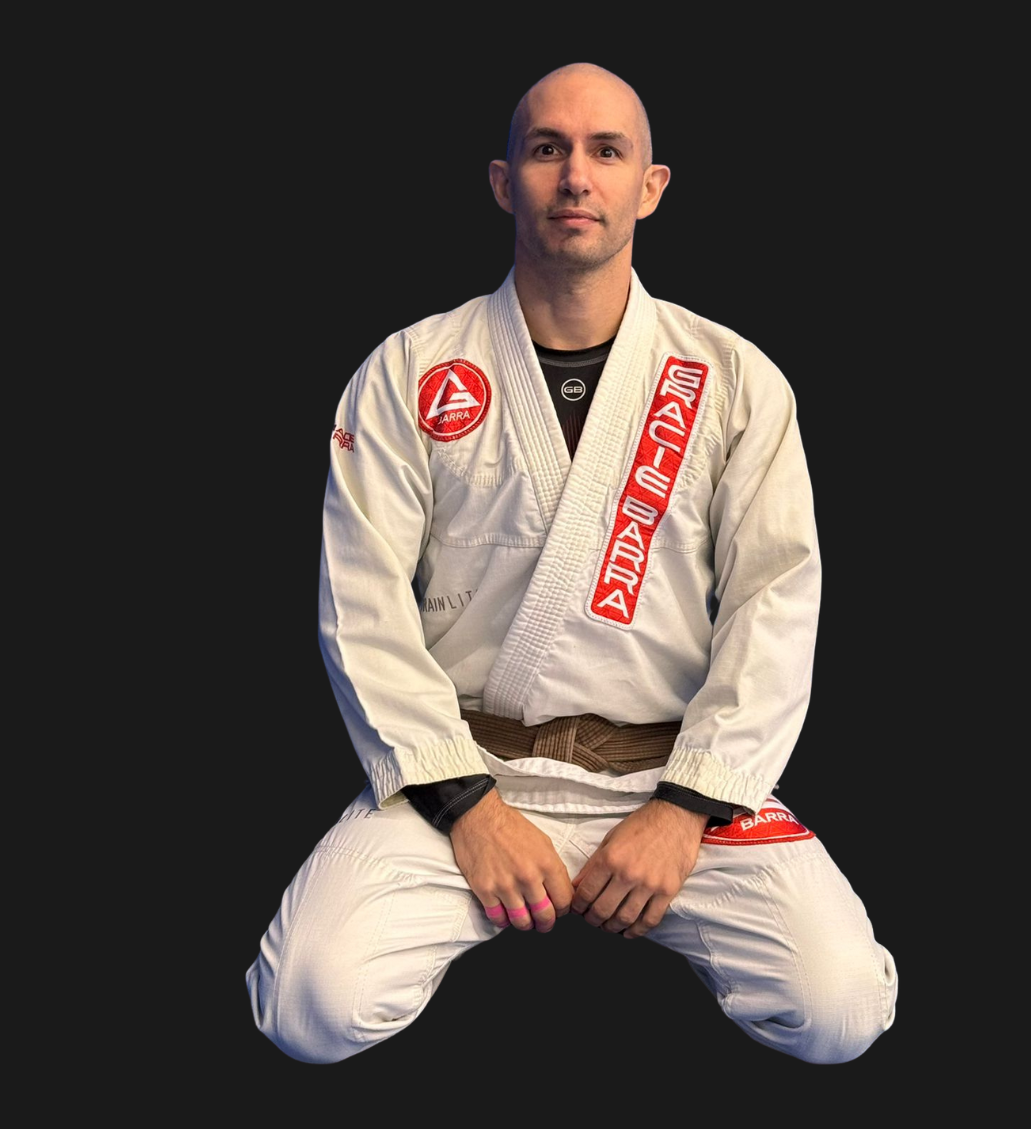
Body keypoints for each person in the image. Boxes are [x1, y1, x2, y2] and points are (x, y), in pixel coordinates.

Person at [246, 61, 898, 1066]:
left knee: (839, 1011)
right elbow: (361, 606)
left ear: (652, 185)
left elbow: (777, 603)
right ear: (505, 182)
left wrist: (685, 812)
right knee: (308, 1008)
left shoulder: (728, 380)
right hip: (469, 770)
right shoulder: (412, 370)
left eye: (607, 151)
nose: (576, 177)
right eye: (546, 149)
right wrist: (467, 810)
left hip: (669, 779)